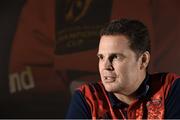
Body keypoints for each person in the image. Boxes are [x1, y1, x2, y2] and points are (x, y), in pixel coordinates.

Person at [66, 18, 180, 119]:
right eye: (101, 57)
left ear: (143, 60)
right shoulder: (87, 98)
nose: (105, 66)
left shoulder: (170, 88)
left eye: (115, 57)